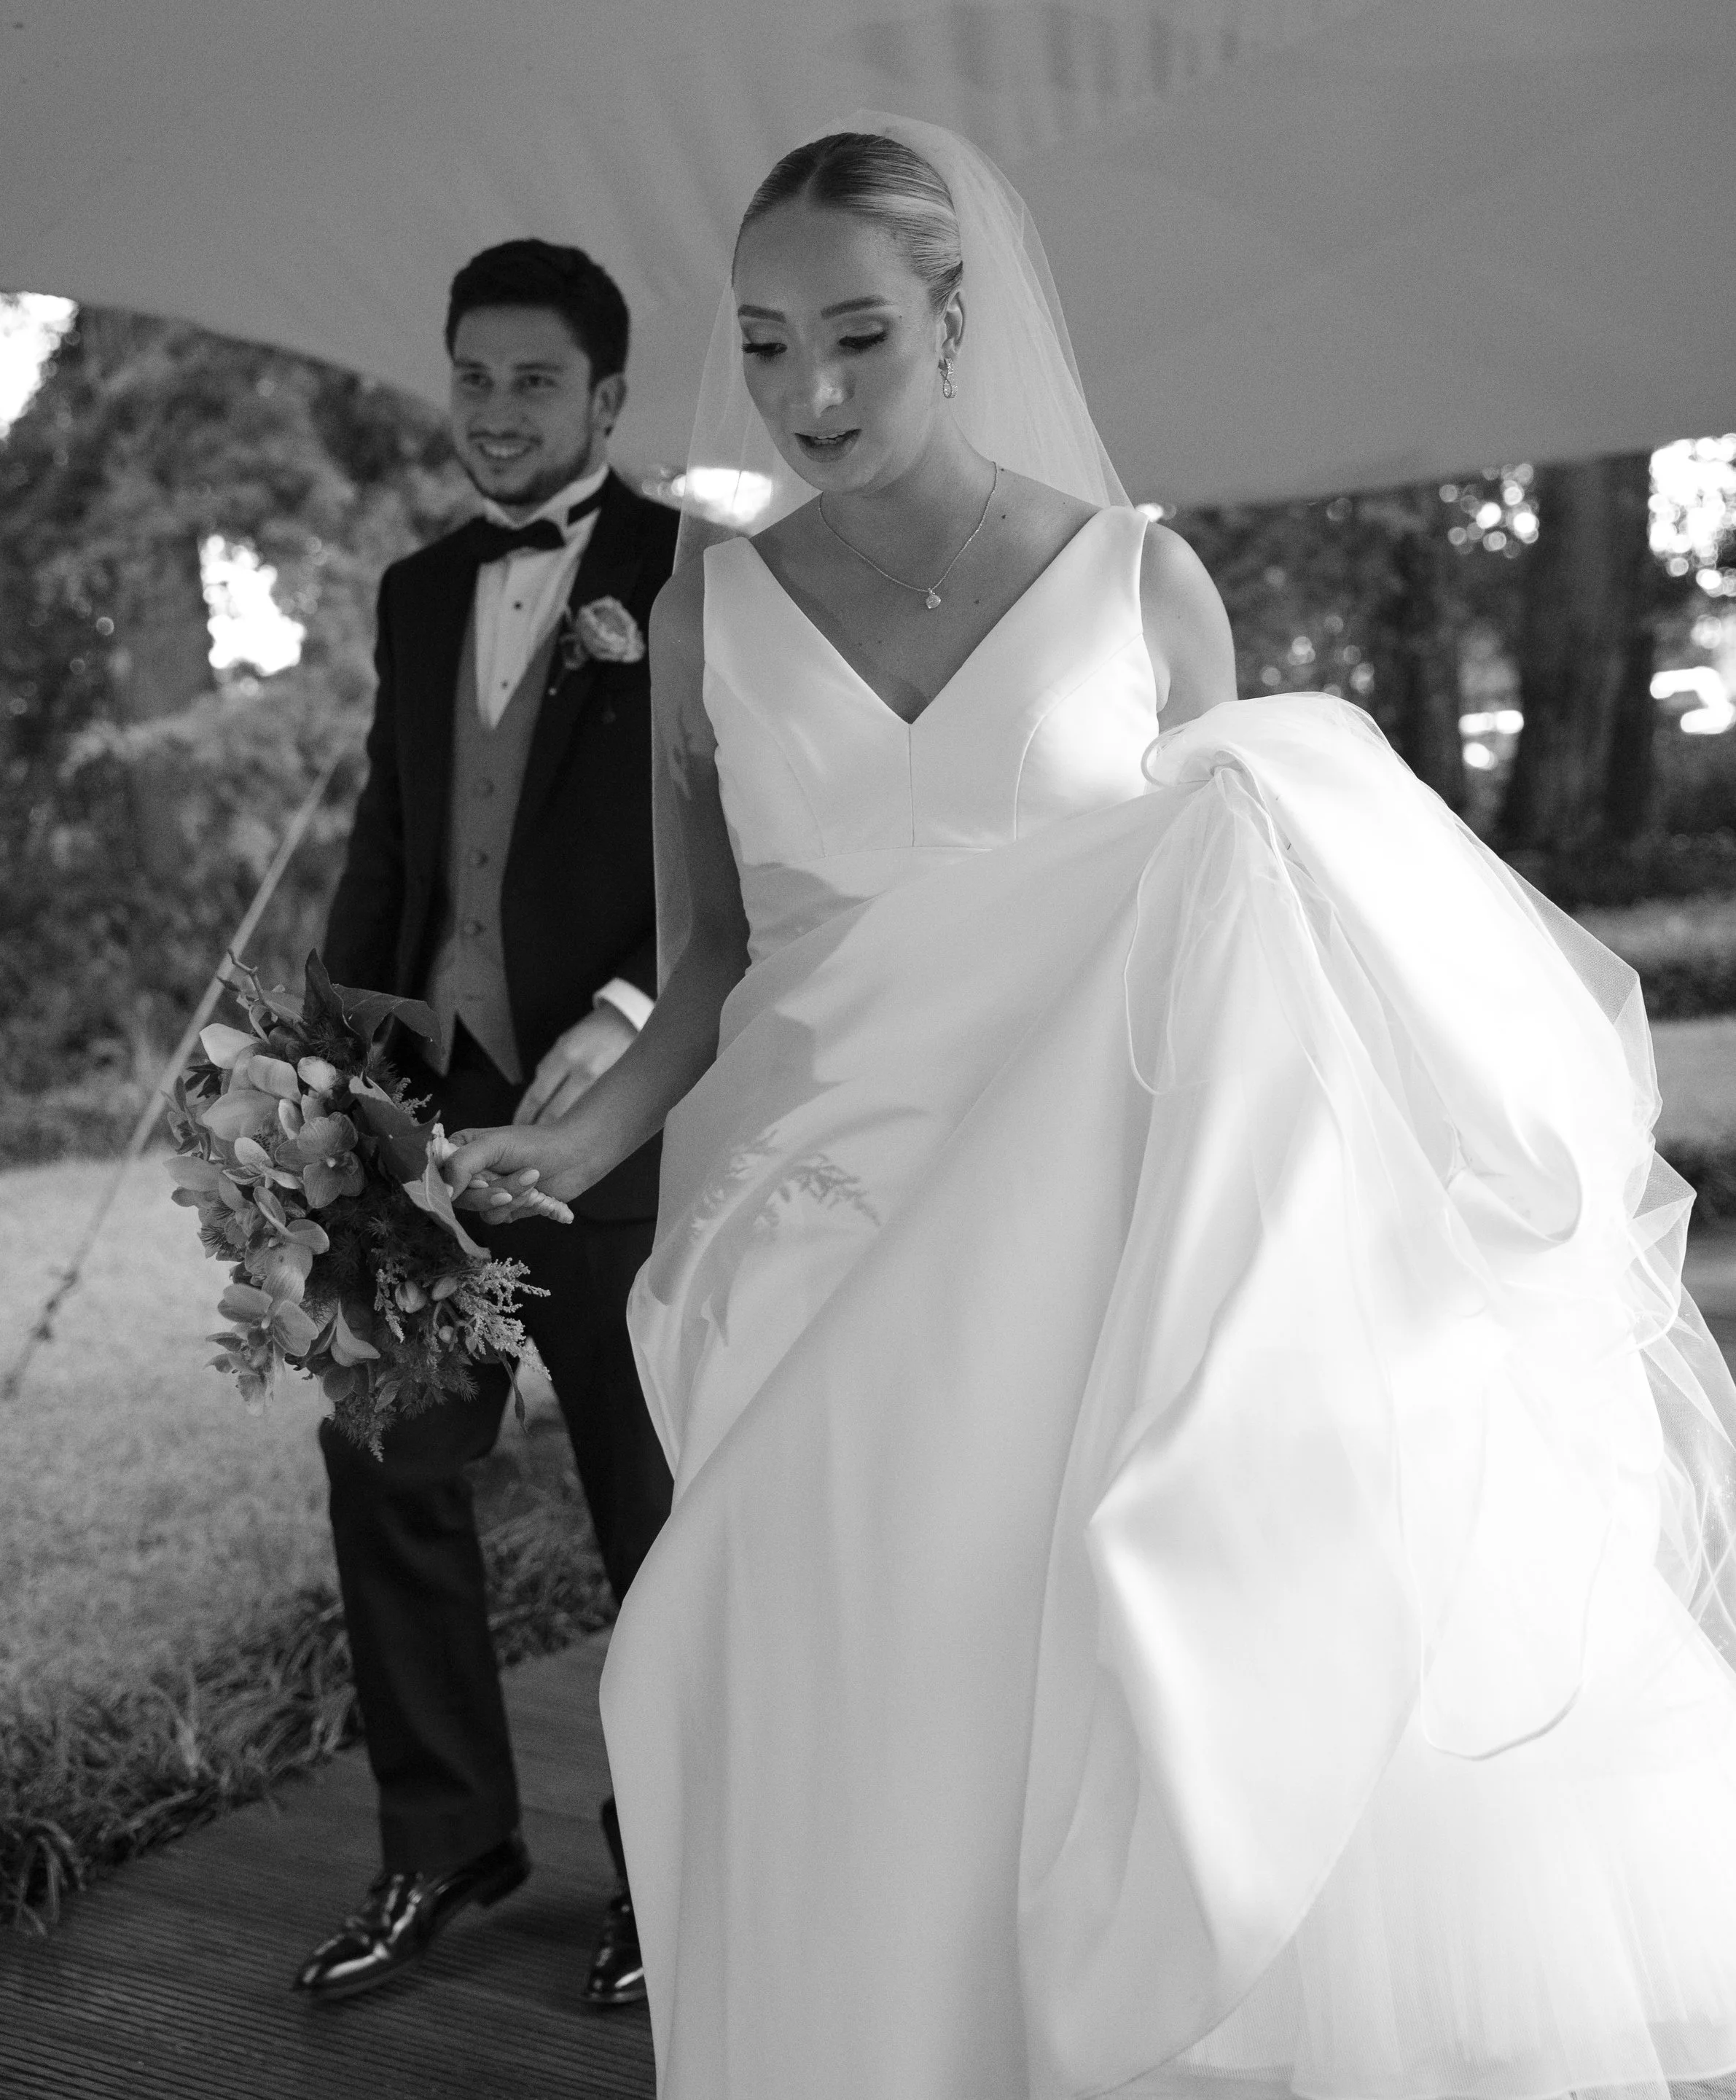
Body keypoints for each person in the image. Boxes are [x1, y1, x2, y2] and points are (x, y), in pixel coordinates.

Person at [445, 121, 1736, 2100]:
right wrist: (565, 1147)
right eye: (770, 341)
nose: (805, 394)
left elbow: (1253, 919)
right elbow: (705, 966)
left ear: (955, 317)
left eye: (859, 335)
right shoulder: (707, 608)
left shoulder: (1139, 583)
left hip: (1090, 1242)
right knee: (798, 1683)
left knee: (1088, 1696)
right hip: (813, 1232)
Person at [295, 238, 678, 2009]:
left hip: (620, 1121)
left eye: (536, 380)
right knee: (385, 1463)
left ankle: (677, 1875)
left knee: (648, 1507)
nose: (498, 411)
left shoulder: (707, 575)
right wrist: (319, 1084)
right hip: (421, 1118)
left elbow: (751, 847)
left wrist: (616, 1026)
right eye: (475, 375)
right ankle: (445, 1844)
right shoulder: (415, 590)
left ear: (609, 396)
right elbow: (393, 838)